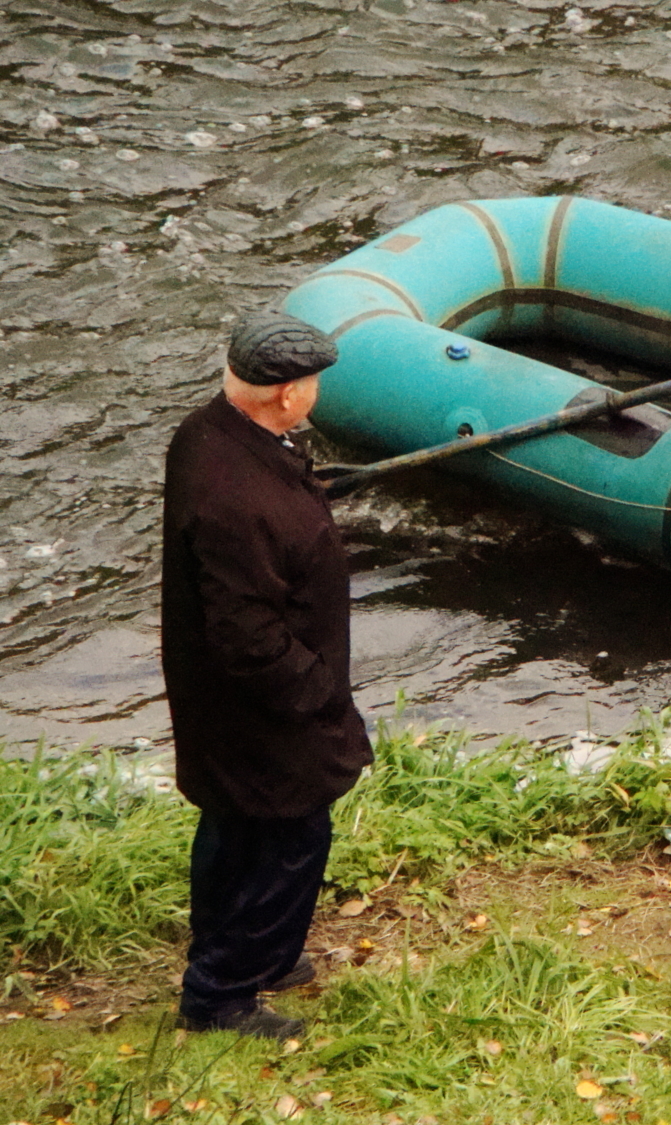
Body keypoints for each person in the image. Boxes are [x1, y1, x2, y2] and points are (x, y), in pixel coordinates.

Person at [161, 312, 372, 1040]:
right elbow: (247, 635)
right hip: (266, 706)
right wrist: (318, 692)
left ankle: (265, 954)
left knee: (233, 828)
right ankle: (219, 993)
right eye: (310, 381)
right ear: (285, 394)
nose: (314, 392)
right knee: (289, 839)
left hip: (221, 703)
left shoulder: (208, 433)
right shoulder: (238, 499)